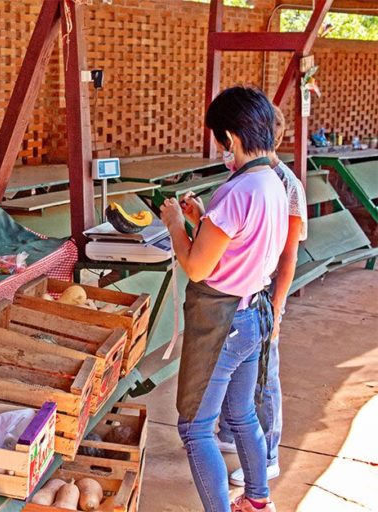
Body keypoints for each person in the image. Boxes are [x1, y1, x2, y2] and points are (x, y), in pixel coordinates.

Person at [160, 86, 288, 512]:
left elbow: (197, 268)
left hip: (222, 322)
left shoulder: (236, 192)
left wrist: (176, 223)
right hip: (253, 315)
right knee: (242, 416)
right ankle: (256, 500)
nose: (221, 150)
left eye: (221, 141)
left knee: (195, 428)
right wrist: (203, 220)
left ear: (231, 139)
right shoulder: (272, 181)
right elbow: (234, 245)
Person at [214, 105, 308, 487]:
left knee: (264, 375)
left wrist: (278, 307)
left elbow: (288, 256)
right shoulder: (246, 174)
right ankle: (227, 430)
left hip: (264, 293)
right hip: (236, 290)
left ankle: (267, 453)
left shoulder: (285, 185)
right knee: (230, 363)